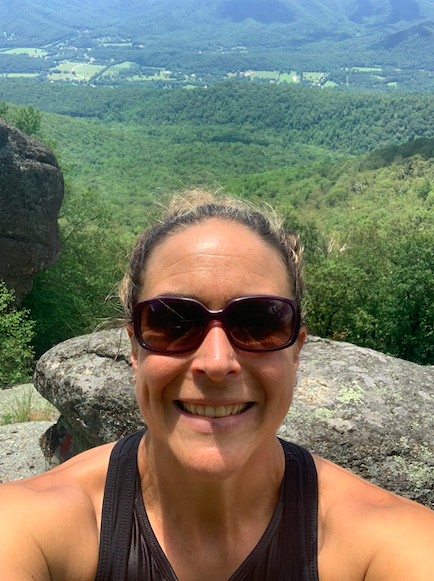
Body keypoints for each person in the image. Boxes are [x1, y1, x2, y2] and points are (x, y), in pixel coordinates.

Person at [0, 190, 433, 581]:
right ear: (135, 349)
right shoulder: (29, 524)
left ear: (296, 352)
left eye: (259, 321)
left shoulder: (387, 541)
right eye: (172, 321)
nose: (216, 362)